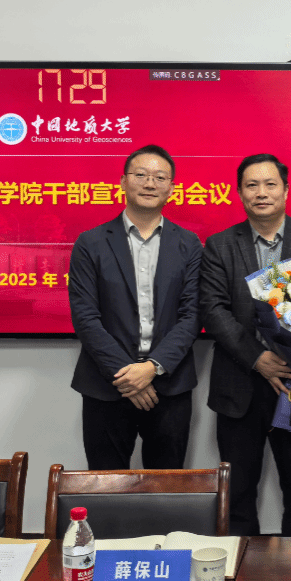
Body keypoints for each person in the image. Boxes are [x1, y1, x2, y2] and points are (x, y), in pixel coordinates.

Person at [199, 153, 291, 537]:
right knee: (237, 496)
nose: (261, 193)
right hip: (239, 386)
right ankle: (241, 571)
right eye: (252, 185)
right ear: (240, 192)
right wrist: (257, 357)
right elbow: (213, 309)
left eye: (270, 184)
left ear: (286, 190)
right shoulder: (220, 244)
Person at [69, 144, 202, 470]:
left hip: (169, 387)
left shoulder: (189, 244)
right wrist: (128, 376)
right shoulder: (91, 242)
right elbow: (85, 317)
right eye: (140, 175)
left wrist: (152, 368)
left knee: (167, 486)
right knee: (105, 485)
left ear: (171, 188)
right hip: (106, 386)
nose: (150, 183)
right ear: (123, 182)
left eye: (160, 177)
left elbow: (192, 315)